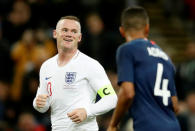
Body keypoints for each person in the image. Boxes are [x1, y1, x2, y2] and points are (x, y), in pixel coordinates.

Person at [33, 16, 117, 131]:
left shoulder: (90, 65)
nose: (69, 34)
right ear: (55, 33)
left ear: (79, 37)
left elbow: (111, 98)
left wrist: (87, 111)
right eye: (65, 30)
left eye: (74, 31)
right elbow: (43, 105)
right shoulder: (46, 67)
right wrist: (38, 104)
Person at [107, 6, 181, 131]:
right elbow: (175, 105)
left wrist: (113, 124)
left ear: (122, 31)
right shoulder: (166, 58)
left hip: (148, 126)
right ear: (147, 28)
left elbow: (128, 93)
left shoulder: (127, 49)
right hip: (173, 126)